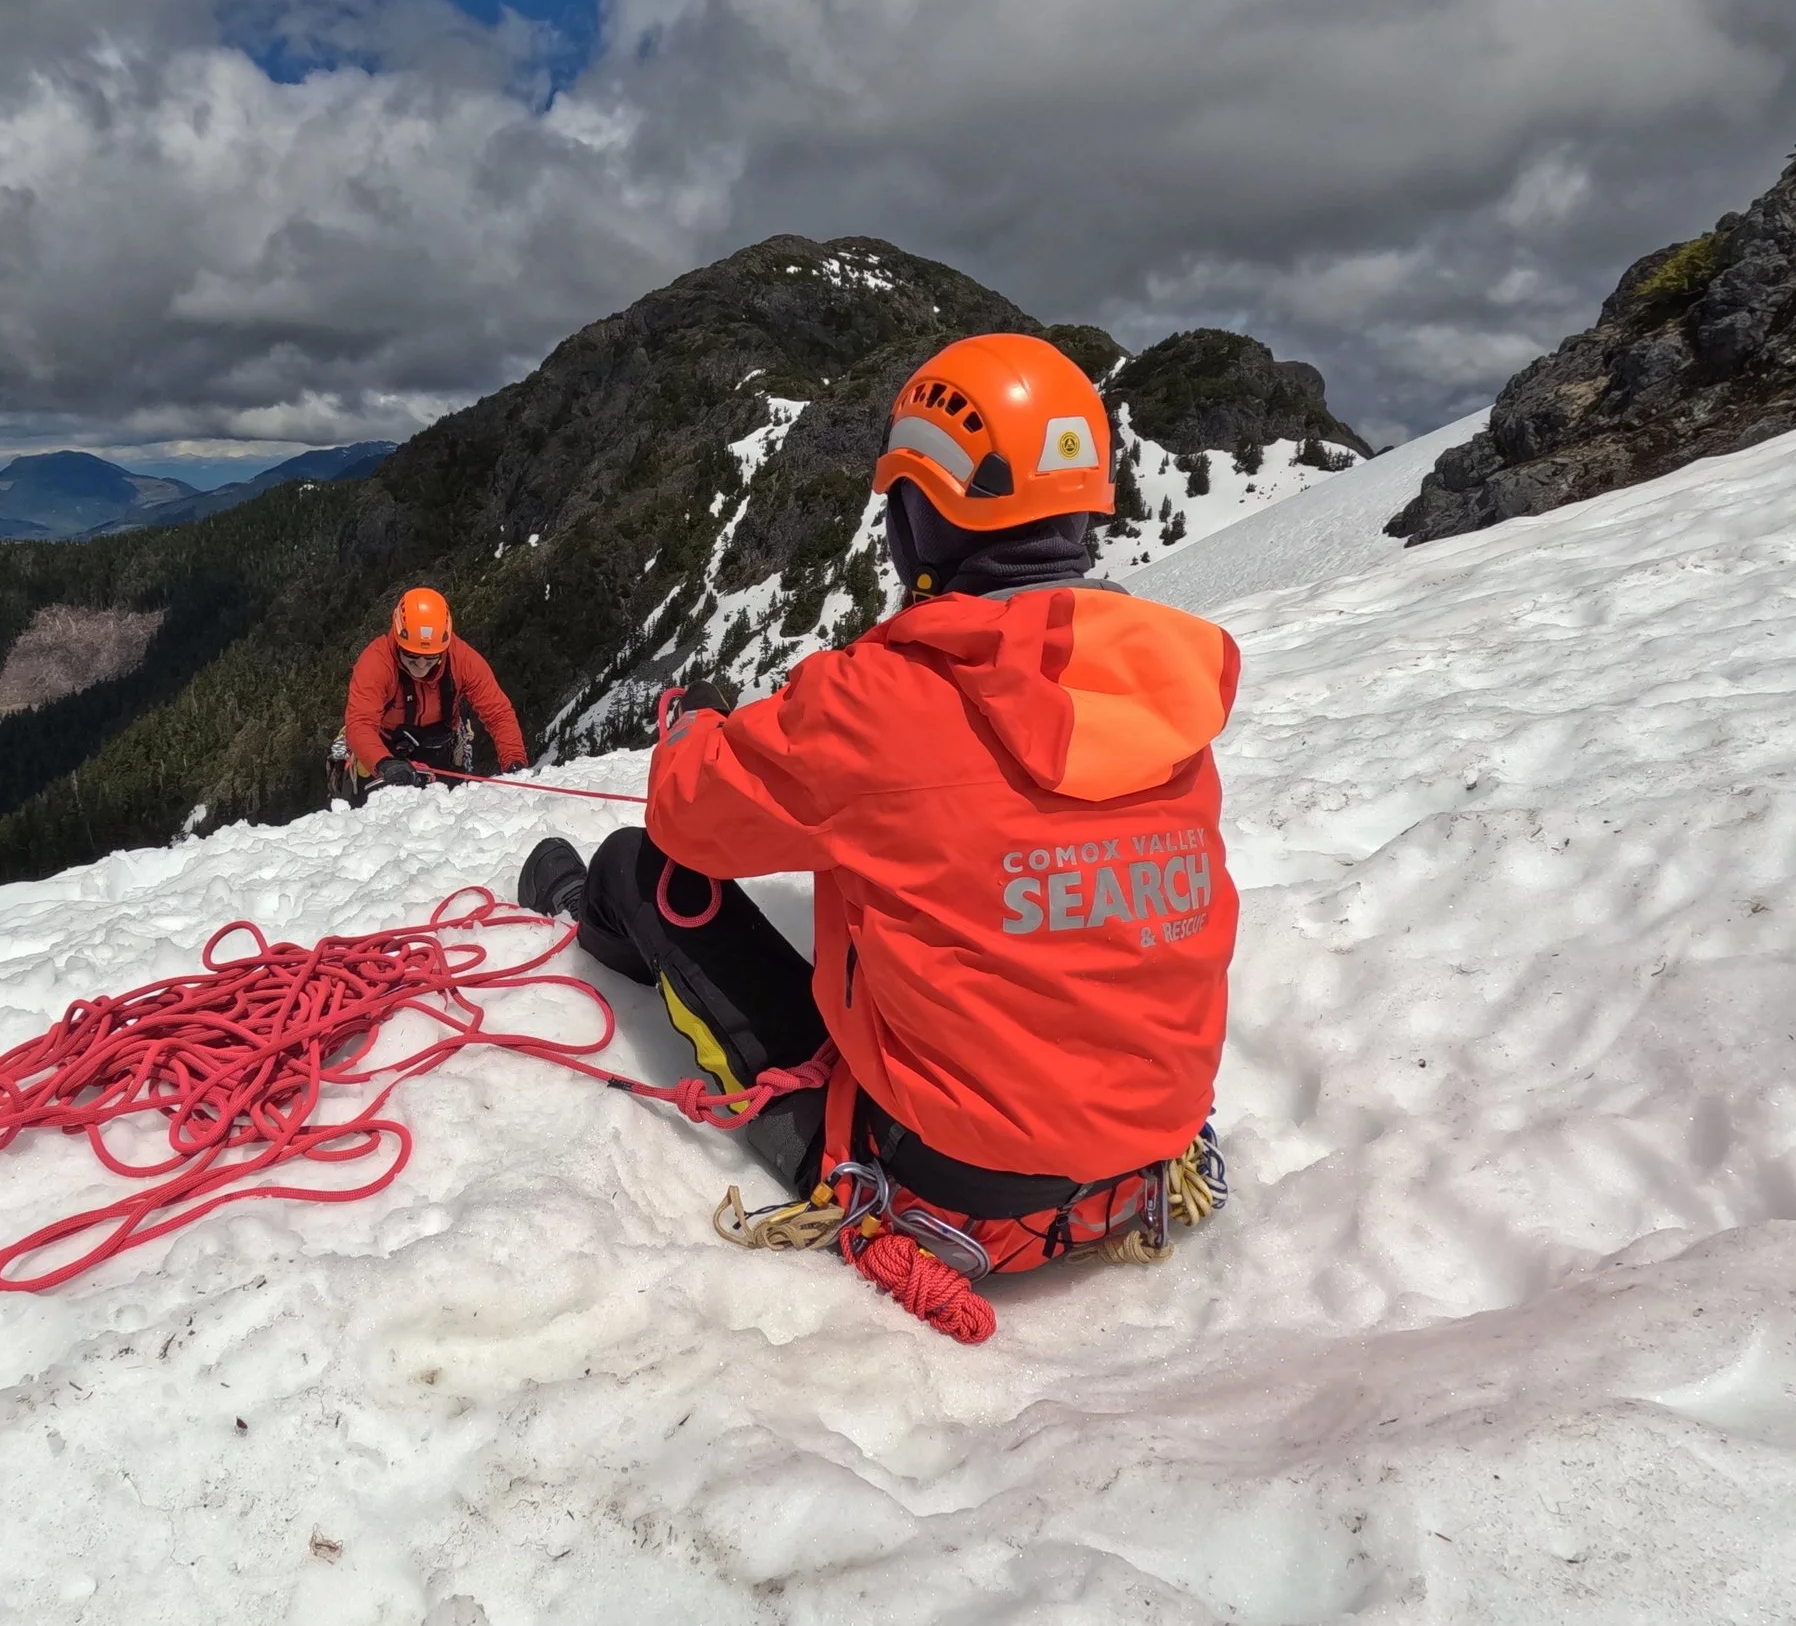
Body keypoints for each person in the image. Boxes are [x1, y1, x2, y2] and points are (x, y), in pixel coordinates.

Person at [518, 333, 1239, 1275]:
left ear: (920, 518)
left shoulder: (879, 702)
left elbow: (690, 816)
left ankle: (587, 917)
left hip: (950, 1195)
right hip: (1152, 1159)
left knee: (637, 865)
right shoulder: (1163, 693)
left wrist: (691, 729)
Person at [341, 587, 528, 796]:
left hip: (441, 751)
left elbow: (498, 714)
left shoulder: (462, 660)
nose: (420, 665)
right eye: (411, 655)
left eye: (431, 657)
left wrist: (514, 762)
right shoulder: (377, 662)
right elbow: (360, 724)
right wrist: (384, 762)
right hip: (384, 750)